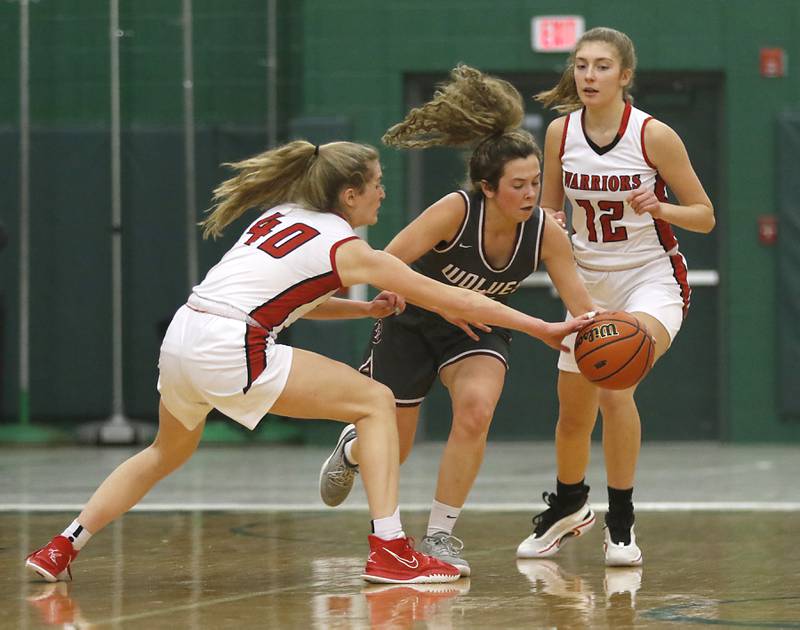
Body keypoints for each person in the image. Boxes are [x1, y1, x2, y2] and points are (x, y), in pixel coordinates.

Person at [24, 140, 592, 585]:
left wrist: (363, 310)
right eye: (377, 186)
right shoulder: (346, 245)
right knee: (375, 403)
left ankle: (63, 544)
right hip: (232, 345)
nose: (383, 197)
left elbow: (297, 300)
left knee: (165, 451)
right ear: (349, 194)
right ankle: (392, 550)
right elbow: (453, 299)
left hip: (183, 337)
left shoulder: (279, 218)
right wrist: (541, 327)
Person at [318, 65, 597, 577]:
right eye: (519, 185)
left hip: (480, 331)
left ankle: (441, 536)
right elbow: (385, 265)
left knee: (475, 410)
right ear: (488, 187)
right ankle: (353, 447)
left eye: (537, 182)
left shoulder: (546, 233)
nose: (532, 193)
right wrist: (446, 301)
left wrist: (612, 329)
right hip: (412, 323)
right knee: (393, 449)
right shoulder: (454, 211)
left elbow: (581, 303)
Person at [516, 27, 715, 566]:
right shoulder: (560, 133)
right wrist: (546, 224)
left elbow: (705, 215)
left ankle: (621, 522)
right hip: (588, 280)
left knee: (613, 381)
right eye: (581, 66)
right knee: (572, 413)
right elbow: (554, 212)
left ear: (625, 76)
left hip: (651, 278)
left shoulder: (654, 136)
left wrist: (661, 207)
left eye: (601, 66)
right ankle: (568, 506)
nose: (588, 76)